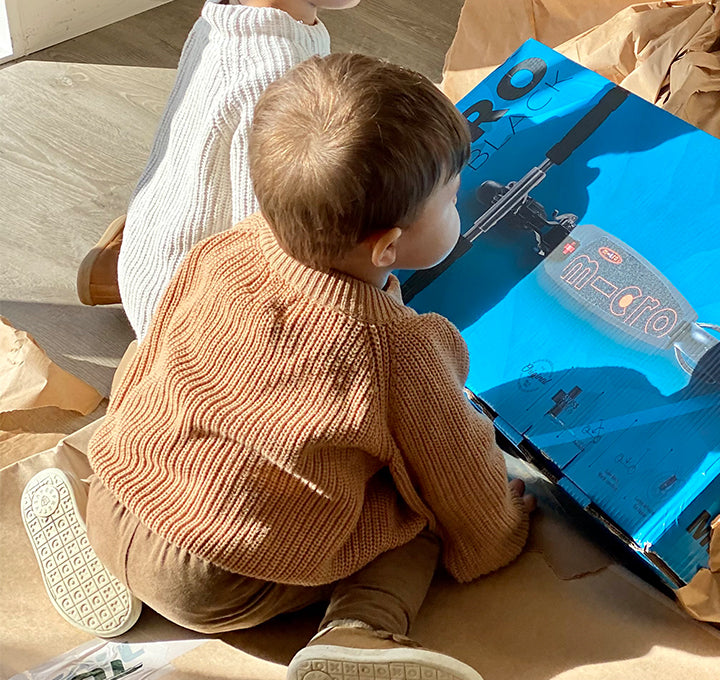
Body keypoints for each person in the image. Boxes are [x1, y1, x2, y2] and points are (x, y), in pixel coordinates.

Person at [22, 53, 534, 680]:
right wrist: (499, 533)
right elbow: (459, 472)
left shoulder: (223, 249)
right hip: (219, 579)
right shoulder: (401, 347)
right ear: (389, 247)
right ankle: (360, 632)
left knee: (165, 405)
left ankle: (91, 525)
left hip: (118, 494)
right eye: (453, 199)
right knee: (416, 516)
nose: (462, 206)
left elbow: (144, 361)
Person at [105, 0, 419, 340]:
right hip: (187, 317)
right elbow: (280, 242)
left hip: (156, 255)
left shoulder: (233, 4)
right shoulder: (274, 80)